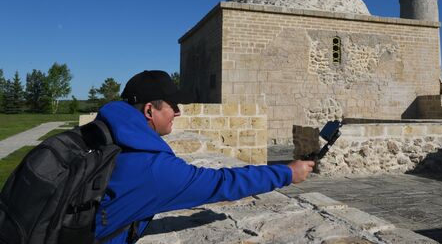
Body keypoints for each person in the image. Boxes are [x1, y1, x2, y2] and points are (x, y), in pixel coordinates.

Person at [94, 70, 314, 243]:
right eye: (173, 105)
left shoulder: (98, 134)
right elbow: (220, 183)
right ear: (150, 111)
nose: (179, 113)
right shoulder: (150, 168)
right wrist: (287, 172)